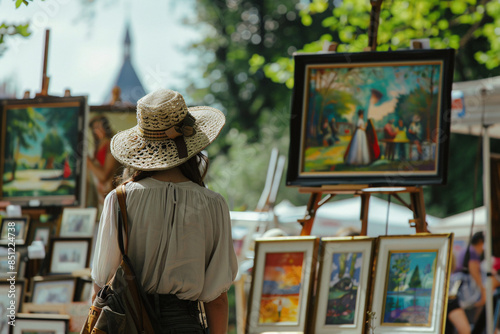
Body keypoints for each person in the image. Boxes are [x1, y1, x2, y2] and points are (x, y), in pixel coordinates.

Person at [91, 89, 238, 333]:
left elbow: (102, 286)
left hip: (129, 323)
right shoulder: (214, 204)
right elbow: (217, 300)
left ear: (142, 147)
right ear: (193, 145)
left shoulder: (119, 199)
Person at [86, 115, 120, 209]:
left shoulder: (111, 145)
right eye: (95, 128)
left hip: (110, 195)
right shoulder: (95, 148)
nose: (98, 130)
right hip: (98, 197)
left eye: (100, 126)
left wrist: (88, 161)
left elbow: (104, 176)